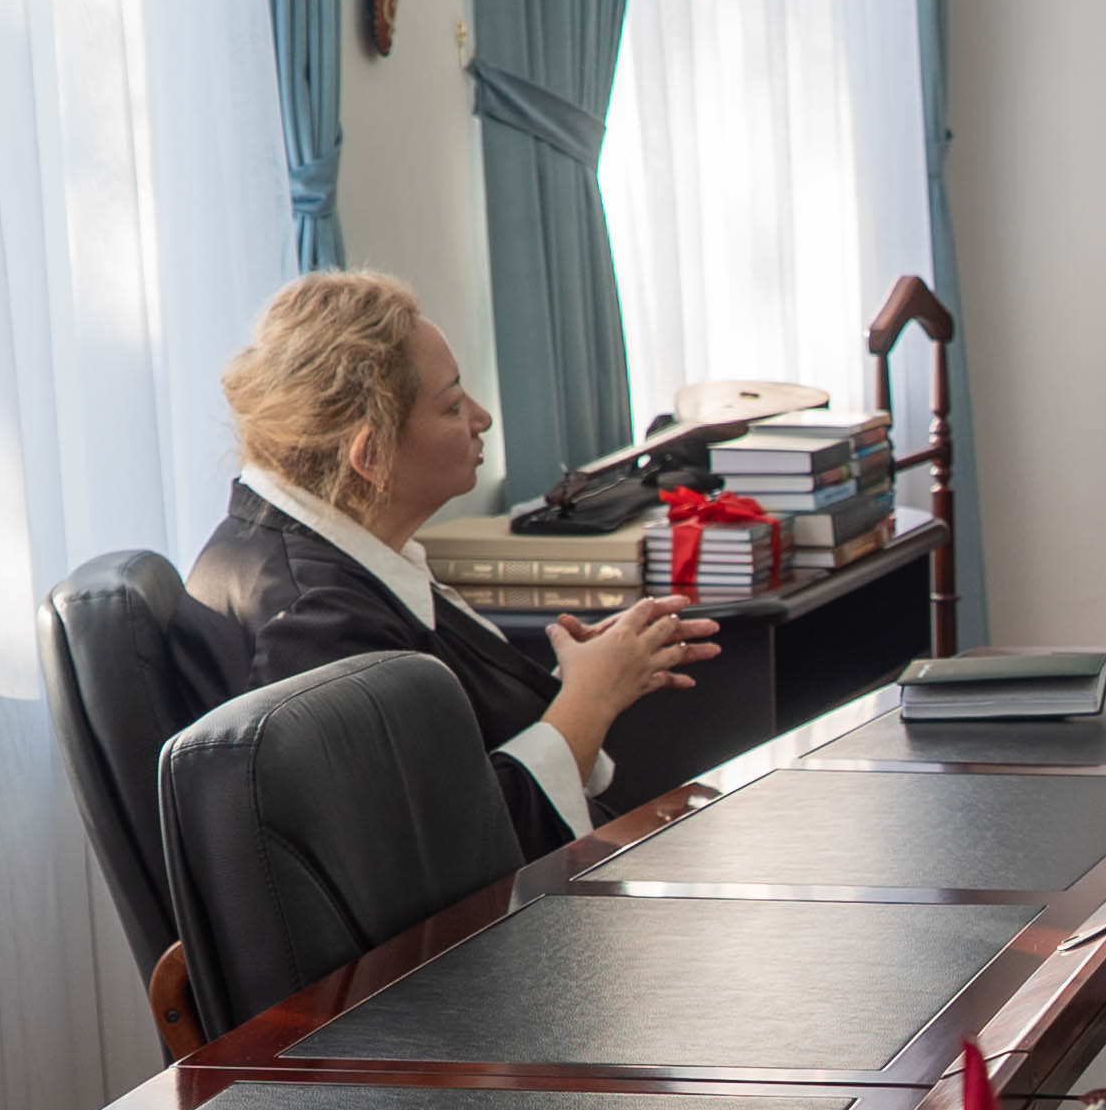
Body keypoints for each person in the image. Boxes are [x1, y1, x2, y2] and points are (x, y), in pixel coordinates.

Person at [188, 273, 714, 860]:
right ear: (371, 455)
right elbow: (461, 859)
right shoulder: (317, 623)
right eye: (453, 405)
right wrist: (590, 700)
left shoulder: (324, 558)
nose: (480, 418)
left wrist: (588, 676)